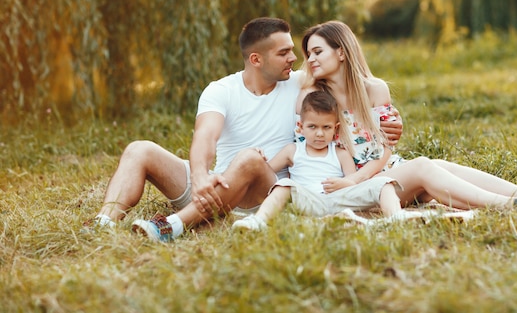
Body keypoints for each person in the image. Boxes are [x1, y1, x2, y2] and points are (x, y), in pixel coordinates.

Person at [91, 17, 403, 241]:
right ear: (256, 59)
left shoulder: (302, 84)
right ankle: (104, 223)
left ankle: (171, 226)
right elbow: (205, 137)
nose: (296, 59)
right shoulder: (221, 90)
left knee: (251, 158)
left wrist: (388, 122)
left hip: (264, 190)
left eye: (294, 51)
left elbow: (350, 92)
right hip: (215, 185)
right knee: (139, 149)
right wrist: (200, 177)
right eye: (284, 53)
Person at [296, 20, 517, 210]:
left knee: (438, 165)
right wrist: (353, 182)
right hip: (354, 186)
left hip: (385, 171)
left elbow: (386, 150)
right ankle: (508, 205)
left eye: (318, 51)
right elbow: (309, 150)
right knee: (422, 165)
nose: (311, 60)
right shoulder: (313, 99)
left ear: (341, 52)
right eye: (308, 54)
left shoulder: (375, 89)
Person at [232, 90, 417, 231]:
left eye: (326, 127)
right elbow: (267, 171)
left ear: (335, 129)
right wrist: (258, 156)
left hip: (339, 198)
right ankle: (259, 221)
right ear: (301, 127)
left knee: (383, 183)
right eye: (312, 127)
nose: (319, 133)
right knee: (284, 185)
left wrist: (344, 183)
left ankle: (395, 217)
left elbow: (352, 179)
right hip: (308, 200)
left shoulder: (340, 153)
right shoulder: (293, 151)